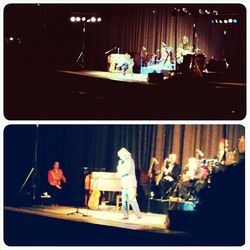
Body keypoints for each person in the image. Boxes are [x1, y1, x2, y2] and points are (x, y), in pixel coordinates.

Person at [117, 148, 142, 219]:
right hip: (124, 183)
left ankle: (138, 214)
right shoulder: (123, 162)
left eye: (120, 156)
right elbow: (119, 170)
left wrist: (120, 174)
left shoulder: (130, 161)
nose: (120, 157)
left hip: (130, 183)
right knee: (123, 200)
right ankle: (125, 214)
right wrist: (119, 165)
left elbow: (126, 171)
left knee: (132, 199)